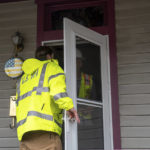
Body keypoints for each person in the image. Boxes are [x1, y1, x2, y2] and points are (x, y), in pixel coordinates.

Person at [16, 46, 80, 150]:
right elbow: (58, 92)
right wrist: (69, 107)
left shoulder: (23, 78)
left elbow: (17, 103)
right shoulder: (52, 67)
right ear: (50, 56)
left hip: (25, 134)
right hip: (45, 131)